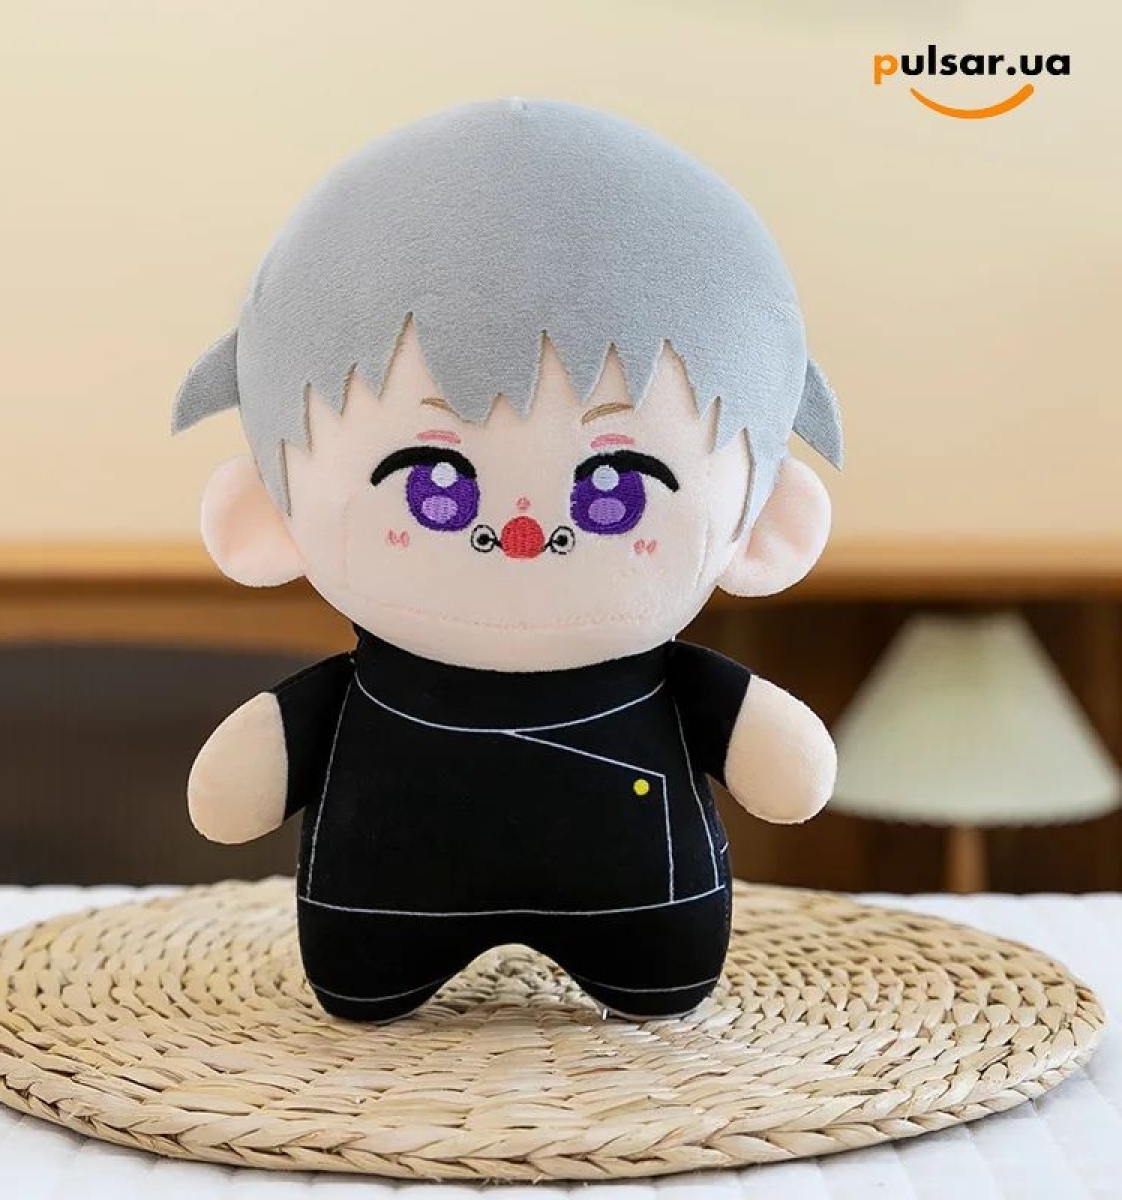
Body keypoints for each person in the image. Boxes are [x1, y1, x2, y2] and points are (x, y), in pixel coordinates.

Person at [175, 99, 842, 1022]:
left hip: (631, 913)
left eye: (614, 485)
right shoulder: (355, 687)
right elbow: (231, 793)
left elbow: (791, 773)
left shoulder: (676, 679)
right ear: (263, 516)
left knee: (661, 973)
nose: (522, 531)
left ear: (767, 529)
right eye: (434, 481)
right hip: (383, 914)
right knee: (364, 973)